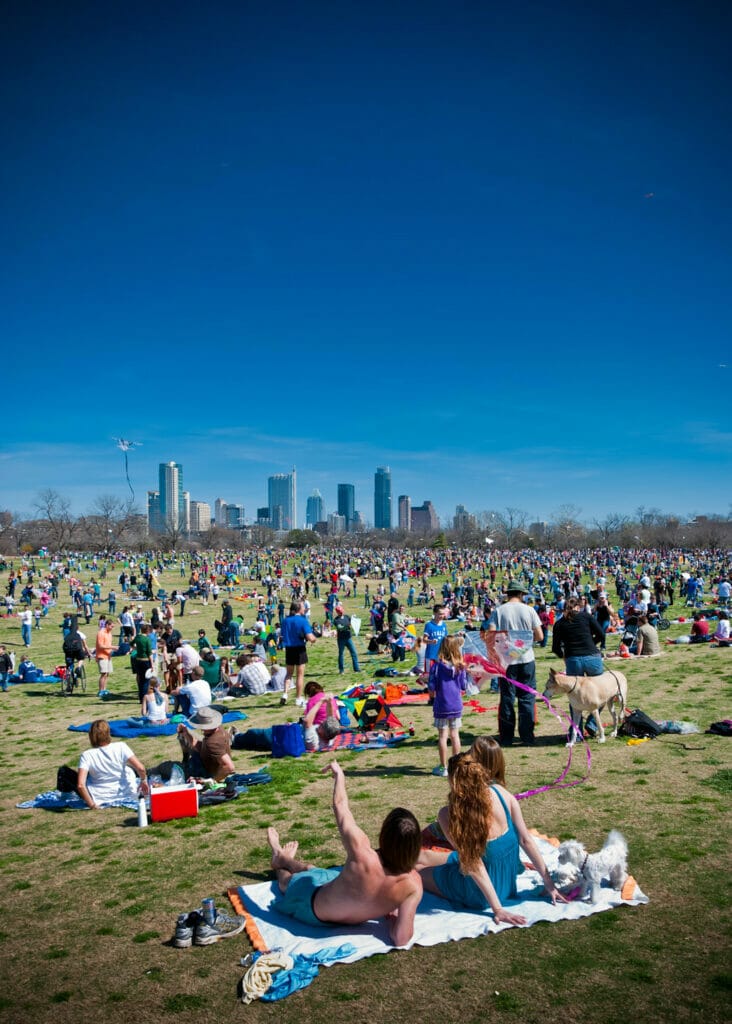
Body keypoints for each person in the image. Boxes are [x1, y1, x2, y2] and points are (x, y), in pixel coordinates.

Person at [266, 761, 423, 946]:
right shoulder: (413, 885)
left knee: (287, 882)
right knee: (314, 871)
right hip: (332, 892)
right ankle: (284, 858)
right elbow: (401, 938)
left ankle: (279, 857)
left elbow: (340, 805)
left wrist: (339, 775)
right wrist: (391, 917)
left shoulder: (362, 853)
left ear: (383, 835)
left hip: (314, 908)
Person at [417, 753, 565, 923]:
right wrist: (549, 884)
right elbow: (526, 840)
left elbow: (473, 864)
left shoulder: (448, 814)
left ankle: (386, 868)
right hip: (507, 885)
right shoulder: (500, 793)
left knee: (418, 872)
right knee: (425, 856)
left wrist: (498, 909)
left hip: (479, 892)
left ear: (453, 781)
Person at [486, 583, 543, 747]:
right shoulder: (529, 610)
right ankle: (527, 736)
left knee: (507, 698)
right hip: (526, 659)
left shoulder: (499, 610)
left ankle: (506, 737)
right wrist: (522, 642)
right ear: (521, 594)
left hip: (507, 661)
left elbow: (491, 633)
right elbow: (539, 635)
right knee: (527, 698)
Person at [77, 719, 149, 809]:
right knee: (129, 769)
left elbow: (80, 785)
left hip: (100, 797)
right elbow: (141, 768)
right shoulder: (121, 746)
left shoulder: (87, 755)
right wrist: (143, 781)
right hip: (125, 792)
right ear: (108, 732)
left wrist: (92, 805)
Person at [428, 635, 468, 777]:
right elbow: (464, 686)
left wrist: (430, 690)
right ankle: (456, 767)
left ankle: (444, 766)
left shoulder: (437, 667)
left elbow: (431, 687)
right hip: (456, 705)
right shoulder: (460, 667)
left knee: (443, 736)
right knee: (455, 735)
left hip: (442, 705)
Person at [177, 706, 235, 781]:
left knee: (165, 769)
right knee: (183, 735)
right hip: (206, 758)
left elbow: (230, 767)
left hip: (207, 771)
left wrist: (212, 781)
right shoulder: (218, 728)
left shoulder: (212, 743)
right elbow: (200, 746)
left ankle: (186, 765)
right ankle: (186, 761)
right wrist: (185, 733)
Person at [280, 600, 317, 707]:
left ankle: (285, 693)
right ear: (298, 609)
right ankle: (298, 698)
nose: (304, 609)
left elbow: (283, 635)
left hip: (289, 649)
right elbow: (310, 637)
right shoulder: (302, 620)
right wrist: (314, 639)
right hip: (299, 648)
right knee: (300, 675)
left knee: (289, 673)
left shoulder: (285, 620)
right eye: (303, 607)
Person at [302, 680, 341, 751]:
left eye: (322, 725)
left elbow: (307, 721)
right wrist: (329, 702)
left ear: (322, 732)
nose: (321, 723)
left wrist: (320, 702)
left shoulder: (313, 740)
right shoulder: (332, 736)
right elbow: (332, 717)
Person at [333, 604, 360, 674]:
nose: (341, 612)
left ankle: (356, 669)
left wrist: (354, 618)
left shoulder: (347, 617)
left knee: (354, 653)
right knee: (341, 654)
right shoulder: (336, 620)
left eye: (342, 610)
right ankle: (341, 670)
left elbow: (352, 622)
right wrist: (346, 626)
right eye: (340, 611)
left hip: (348, 638)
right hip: (341, 639)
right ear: (337, 612)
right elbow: (340, 628)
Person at [423, 605, 448, 674]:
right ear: (434, 613)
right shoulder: (429, 625)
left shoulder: (444, 625)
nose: (442, 616)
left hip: (441, 655)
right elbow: (424, 640)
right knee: (429, 676)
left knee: (441, 675)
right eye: (440, 614)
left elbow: (446, 638)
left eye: (443, 614)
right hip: (431, 655)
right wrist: (431, 641)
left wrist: (457, 635)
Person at [95, 618, 114, 696]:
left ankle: (104, 689)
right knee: (103, 673)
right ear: (107, 625)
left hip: (108, 656)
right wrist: (113, 647)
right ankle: (100, 690)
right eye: (111, 626)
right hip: (102, 656)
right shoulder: (101, 633)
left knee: (107, 673)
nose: (112, 628)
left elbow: (108, 645)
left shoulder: (109, 633)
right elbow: (100, 646)